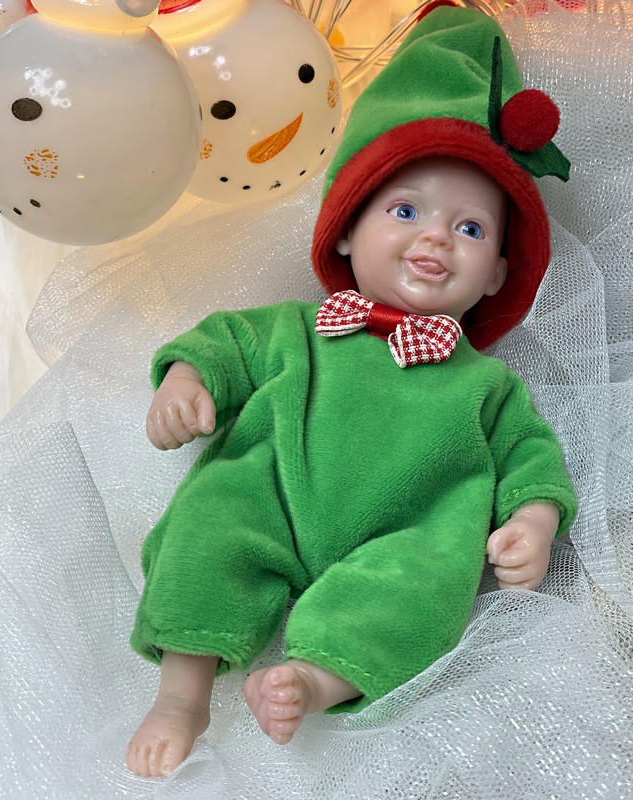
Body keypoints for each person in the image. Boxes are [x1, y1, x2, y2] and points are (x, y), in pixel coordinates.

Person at [125, 3, 577, 778]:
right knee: (207, 524)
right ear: (344, 227)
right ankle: (181, 694)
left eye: (471, 229)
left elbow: (531, 456)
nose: (436, 237)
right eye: (405, 210)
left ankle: (313, 677)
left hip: (403, 531)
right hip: (269, 495)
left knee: (426, 586)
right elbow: (223, 343)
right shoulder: (298, 328)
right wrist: (187, 382)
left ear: (497, 274)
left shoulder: (485, 384)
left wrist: (533, 522)